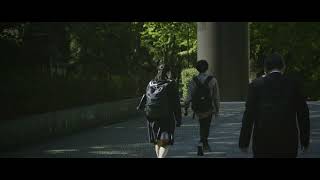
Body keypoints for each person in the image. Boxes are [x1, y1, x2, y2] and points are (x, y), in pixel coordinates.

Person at [239, 52, 310, 158]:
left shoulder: (256, 85)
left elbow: (249, 115)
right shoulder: (293, 84)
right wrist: (305, 140)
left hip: (262, 139)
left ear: (265, 68)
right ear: (283, 67)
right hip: (288, 139)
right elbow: (303, 114)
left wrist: (244, 142)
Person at [137, 64, 182, 158]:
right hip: (166, 117)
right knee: (165, 143)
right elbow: (176, 103)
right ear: (168, 72)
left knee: (157, 141)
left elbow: (146, 97)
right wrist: (178, 119)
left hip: (151, 117)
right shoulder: (170, 84)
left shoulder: (151, 83)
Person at [184, 60, 220, 152]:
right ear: (207, 68)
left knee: (202, 124)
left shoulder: (194, 80)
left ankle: (203, 141)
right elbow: (216, 97)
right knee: (206, 125)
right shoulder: (213, 80)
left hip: (197, 108)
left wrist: (186, 106)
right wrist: (217, 109)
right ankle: (204, 142)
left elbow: (189, 95)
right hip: (209, 107)